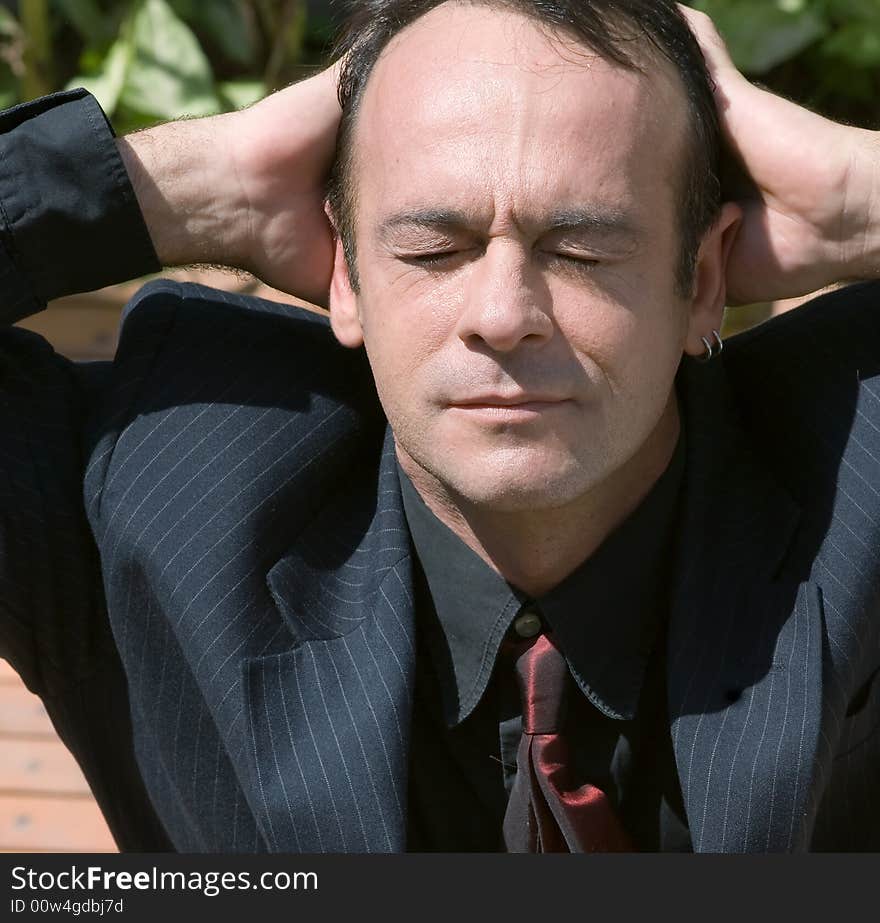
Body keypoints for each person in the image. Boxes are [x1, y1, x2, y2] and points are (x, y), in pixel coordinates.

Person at [0, 0, 877, 853]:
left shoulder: (857, 484)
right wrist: (192, 186)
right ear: (346, 271)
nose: (503, 314)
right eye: (433, 248)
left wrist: (856, 194)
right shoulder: (159, 498)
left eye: (583, 250)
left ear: (706, 279)